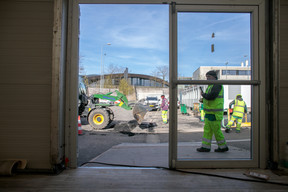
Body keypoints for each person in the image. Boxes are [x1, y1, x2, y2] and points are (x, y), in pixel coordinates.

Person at [197, 70, 229, 152]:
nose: (207, 78)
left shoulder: (216, 85)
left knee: (216, 131)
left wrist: (203, 95)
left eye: (209, 77)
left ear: (214, 77)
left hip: (214, 113)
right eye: (206, 77)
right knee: (207, 130)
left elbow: (211, 96)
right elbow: (209, 98)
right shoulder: (211, 86)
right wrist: (203, 99)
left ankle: (223, 147)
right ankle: (205, 147)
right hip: (209, 113)